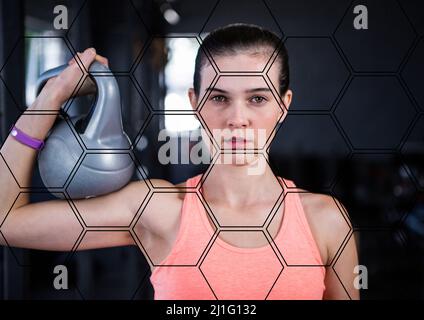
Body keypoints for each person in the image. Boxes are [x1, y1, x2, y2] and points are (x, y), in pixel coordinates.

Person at [0, 23, 358, 300]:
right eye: (219, 97)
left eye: (258, 98)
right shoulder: (157, 208)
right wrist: (52, 96)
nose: (237, 118)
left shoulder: (325, 221)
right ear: (195, 102)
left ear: (284, 105)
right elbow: (6, 222)